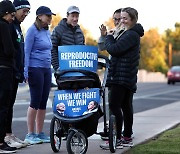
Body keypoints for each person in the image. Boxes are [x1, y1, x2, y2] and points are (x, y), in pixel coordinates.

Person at [101, 7, 144, 149]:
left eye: (125, 18)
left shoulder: (131, 35)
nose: (122, 21)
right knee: (125, 106)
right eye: (121, 18)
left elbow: (114, 49)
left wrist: (109, 36)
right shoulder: (129, 33)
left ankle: (117, 138)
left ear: (133, 19)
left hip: (121, 77)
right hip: (124, 76)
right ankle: (125, 137)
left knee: (114, 105)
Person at [24, 6, 56, 145]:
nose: (50, 18)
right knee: (35, 101)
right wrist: (25, 70)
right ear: (39, 16)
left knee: (43, 102)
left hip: (46, 69)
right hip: (34, 68)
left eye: (51, 15)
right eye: (47, 15)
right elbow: (26, 51)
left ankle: (40, 132)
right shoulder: (32, 30)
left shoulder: (46, 31)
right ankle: (30, 134)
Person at [4, 0, 31, 149]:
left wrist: (21, 70)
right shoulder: (8, 26)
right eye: (24, 11)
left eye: (28, 12)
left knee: (10, 104)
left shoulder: (18, 27)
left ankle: (9, 132)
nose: (26, 14)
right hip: (8, 70)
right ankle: (5, 136)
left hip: (15, 71)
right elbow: (10, 50)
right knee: (5, 105)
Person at [0, 0, 17, 153]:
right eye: (12, 14)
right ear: (5, 13)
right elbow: (9, 49)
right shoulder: (4, 26)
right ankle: (1, 142)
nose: (13, 17)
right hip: (5, 69)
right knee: (3, 106)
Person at [51, 5, 85, 70]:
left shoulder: (80, 32)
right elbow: (52, 49)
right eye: (72, 16)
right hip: (63, 70)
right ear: (67, 16)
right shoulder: (58, 30)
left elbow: (82, 50)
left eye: (77, 16)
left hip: (78, 71)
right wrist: (57, 67)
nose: (75, 19)